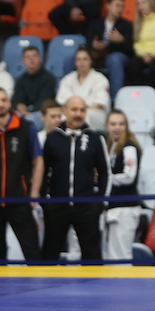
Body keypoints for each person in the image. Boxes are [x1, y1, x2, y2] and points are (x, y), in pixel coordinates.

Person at [0, 87, 43, 261]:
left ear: (9, 102)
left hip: (20, 198)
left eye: (3, 100)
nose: (0, 104)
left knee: (32, 253)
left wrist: (34, 194)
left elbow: (38, 161)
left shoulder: (26, 127)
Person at [42, 96, 110, 261]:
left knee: (92, 256)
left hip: (87, 206)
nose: (78, 114)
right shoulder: (52, 138)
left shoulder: (95, 138)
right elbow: (42, 171)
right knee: (49, 254)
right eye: (74, 109)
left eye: (82, 110)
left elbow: (105, 172)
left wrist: (100, 202)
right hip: (57, 205)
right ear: (64, 111)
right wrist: (45, 201)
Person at [104, 109, 142, 261]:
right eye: (113, 124)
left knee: (121, 257)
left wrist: (105, 179)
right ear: (107, 126)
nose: (117, 127)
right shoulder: (112, 146)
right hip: (115, 208)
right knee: (112, 257)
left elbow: (129, 177)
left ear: (126, 126)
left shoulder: (129, 146)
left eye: (121, 124)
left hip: (125, 209)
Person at [85, 0, 134, 100]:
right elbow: (88, 42)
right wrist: (94, 46)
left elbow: (131, 50)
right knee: (72, 59)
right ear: (108, 6)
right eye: (117, 5)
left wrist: (122, 40)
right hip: (97, 55)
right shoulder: (95, 23)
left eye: (122, 6)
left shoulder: (127, 25)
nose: (120, 9)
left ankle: (115, 99)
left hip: (117, 56)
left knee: (114, 59)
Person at [56, 47, 110, 132]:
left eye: (85, 59)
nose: (82, 62)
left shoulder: (101, 79)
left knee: (84, 116)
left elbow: (100, 104)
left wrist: (81, 111)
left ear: (91, 61)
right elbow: (62, 101)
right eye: (78, 59)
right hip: (72, 112)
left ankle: (84, 137)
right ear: (75, 62)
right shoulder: (67, 79)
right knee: (61, 116)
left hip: (96, 114)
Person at [11, 46, 57, 130]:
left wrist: (29, 112)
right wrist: (20, 106)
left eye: (34, 56)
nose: (31, 59)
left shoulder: (49, 78)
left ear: (40, 59)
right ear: (23, 61)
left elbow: (44, 101)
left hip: (42, 112)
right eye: (28, 57)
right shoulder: (21, 80)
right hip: (25, 112)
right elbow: (17, 99)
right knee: (10, 118)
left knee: (29, 120)